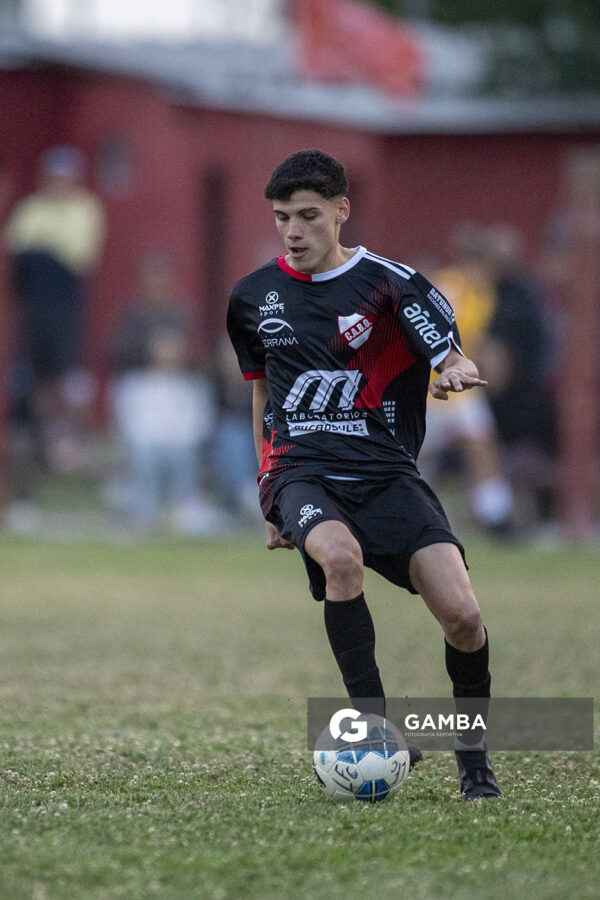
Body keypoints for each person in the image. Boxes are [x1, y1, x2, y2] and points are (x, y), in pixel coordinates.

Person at [226, 149, 501, 800]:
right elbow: (262, 396)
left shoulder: (393, 285)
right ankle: (376, 732)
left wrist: (455, 370)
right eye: (281, 218)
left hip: (384, 473)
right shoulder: (252, 297)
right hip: (304, 472)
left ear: (342, 211)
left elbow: (447, 349)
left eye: (308, 216)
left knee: (463, 616)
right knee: (340, 559)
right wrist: (268, 495)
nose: (293, 231)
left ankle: (475, 764)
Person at [4, 145, 106, 471]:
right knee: (30, 378)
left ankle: (69, 446)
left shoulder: (86, 209)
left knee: (69, 379)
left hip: (67, 306)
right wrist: (50, 248)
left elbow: (80, 255)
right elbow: (14, 248)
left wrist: (41, 247)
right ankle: (35, 446)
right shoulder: (30, 208)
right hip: (33, 307)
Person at [419, 222, 515, 536]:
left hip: (463, 389)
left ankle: (496, 518)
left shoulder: (485, 293)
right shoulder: (448, 288)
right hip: (433, 389)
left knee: (482, 445)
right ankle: (395, 508)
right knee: (415, 455)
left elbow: (469, 337)